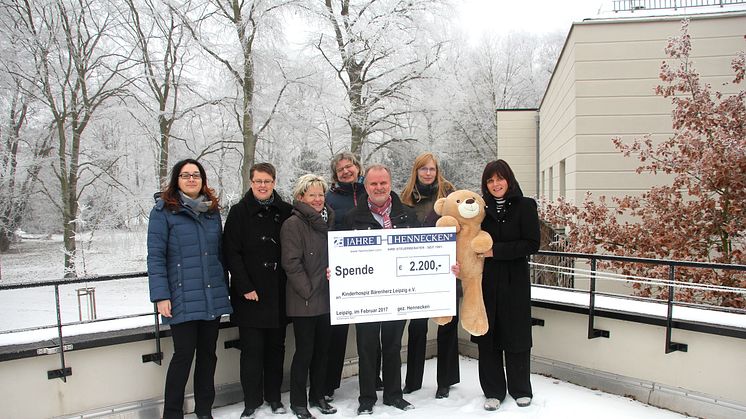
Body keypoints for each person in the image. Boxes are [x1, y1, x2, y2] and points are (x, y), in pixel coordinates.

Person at [147, 158, 232, 419]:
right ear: (177, 180)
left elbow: (219, 252)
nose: (191, 179)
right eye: (186, 175)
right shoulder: (163, 211)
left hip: (211, 294)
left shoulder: (211, 211)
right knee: (183, 356)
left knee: (208, 356)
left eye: (196, 175)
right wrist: (161, 295)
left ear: (203, 180)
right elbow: (156, 256)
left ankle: (204, 410)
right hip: (181, 296)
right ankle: (172, 414)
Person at [343, 164, 419, 415]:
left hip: (398, 293)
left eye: (383, 183)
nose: (379, 188)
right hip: (365, 295)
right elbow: (339, 254)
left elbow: (424, 251)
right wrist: (336, 270)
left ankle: (393, 395)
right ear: (366, 187)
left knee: (393, 345)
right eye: (373, 184)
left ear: (390, 184)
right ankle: (366, 398)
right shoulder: (351, 218)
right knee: (366, 347)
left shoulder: (407, 215)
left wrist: (443, 268)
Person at [223, 163, 292, 418]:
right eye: (257, 181)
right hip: (250, 296)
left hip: (278, 293)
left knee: (276, 349)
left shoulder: (285, 211)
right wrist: (245, 287)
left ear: (274, 182)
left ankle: (274, 397)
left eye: (267, 180)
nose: (262, 185)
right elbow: (231, 253)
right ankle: (251, 401)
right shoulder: (238, 213)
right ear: (251, 183)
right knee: (251, 351)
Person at [474, 159, 540, 411]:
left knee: (517, 335)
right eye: (490, 180)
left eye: (499, 178)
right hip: (487, 281)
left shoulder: (525, 206)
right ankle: (492, 391)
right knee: (487, 336)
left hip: (515, 281)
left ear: (508, 179)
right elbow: (471, 242)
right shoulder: (480, 209)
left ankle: (520, 388)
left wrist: (495, 252)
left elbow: (531, 243)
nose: (495, 184)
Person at [324, 152, 385, 400]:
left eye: (349, 166)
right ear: (335, 174)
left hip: (372, 271)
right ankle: (329, 384)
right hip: (342, 271)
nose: (346, 171)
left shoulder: (370, 192)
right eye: (340, 169)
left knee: (371, 328)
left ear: (358, 168)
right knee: (336, 332)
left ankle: (373, 377)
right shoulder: (329, 198)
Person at [399, 152, 460, 399]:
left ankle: (445, 381)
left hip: (446, 271)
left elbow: (462, 230)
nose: (427, 173)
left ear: (437, 171)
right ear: (416, 171)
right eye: (423, 168)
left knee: (447, 325)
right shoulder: (405, 199)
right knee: (417, 327)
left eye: (431, 169)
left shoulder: (449, 195)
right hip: (416, 273)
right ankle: (413, 380)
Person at [280, 174, 337, 419]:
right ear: (301, 197)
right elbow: (291, 263)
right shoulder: (293, 224)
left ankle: (318, 395)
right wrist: (308, 289)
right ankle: (298, 402)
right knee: (304, 352)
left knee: (323, 351)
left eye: (320, 194)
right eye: (312, 194)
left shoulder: (328, 220)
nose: (317, 199)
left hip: (326, 297)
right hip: (305, 298)